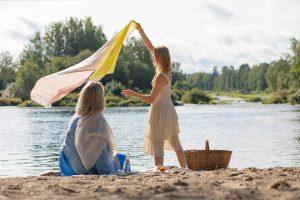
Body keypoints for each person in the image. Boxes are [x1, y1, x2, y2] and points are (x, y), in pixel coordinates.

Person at [122, 22, 187, 168]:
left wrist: (133, 93)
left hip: (160, 111)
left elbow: (151, 99)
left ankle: (160, 171)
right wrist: (141, 31)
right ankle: (185, 169)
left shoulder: (160, 77)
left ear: (160, 58)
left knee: (158, 146)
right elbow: (150, 47)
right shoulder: (168, 71)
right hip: (168, 110)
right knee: (176, 144)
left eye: (155, 56)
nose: (152, 57)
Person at [59, 81, 119, 176]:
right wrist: (109, 171)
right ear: (100, 100)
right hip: (82, 169)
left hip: (67, 165)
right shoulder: (97, 121)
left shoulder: (76, 116)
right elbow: (101, 155)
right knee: (118, 159)